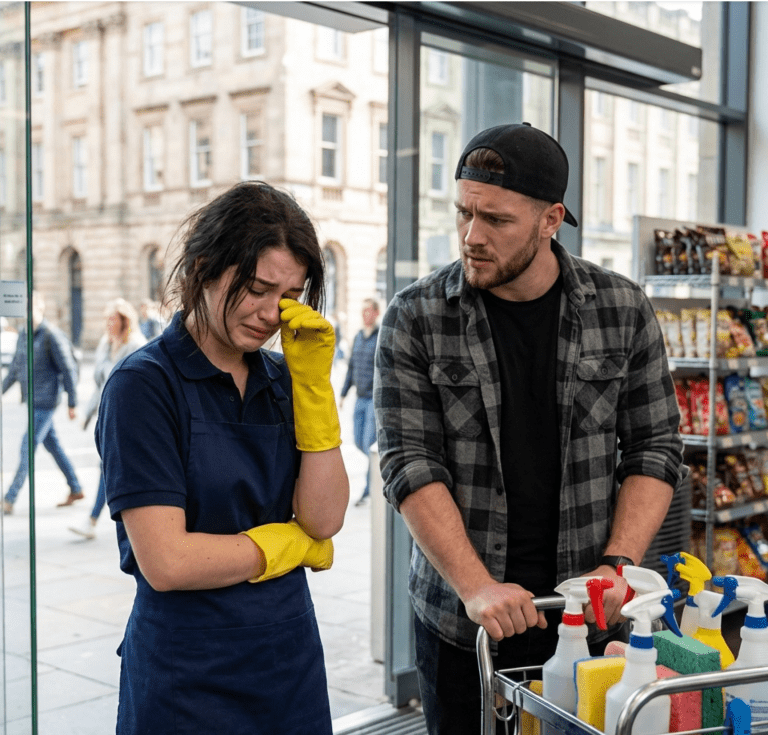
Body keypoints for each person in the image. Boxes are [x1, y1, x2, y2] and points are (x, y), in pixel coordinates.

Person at [373, 123, 685, 734]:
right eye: (463, 213)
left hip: (590, 614)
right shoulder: (416, 317)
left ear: (550, 220)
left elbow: (655, 446)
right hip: (464, 621)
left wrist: (616, 565)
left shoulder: (621, 309)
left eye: (496, 220)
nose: (471, 236)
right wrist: (477, 586)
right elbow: (409, 463)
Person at [95, 180, 349, 734]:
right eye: (257, 288)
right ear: (204, 268)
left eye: (290, 296)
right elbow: (167, 562)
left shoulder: (284, 380)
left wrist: (315, 391)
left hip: (288, 658)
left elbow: (324, 520)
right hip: (187, 668)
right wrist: (278, 545)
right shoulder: (144, 387)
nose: (270, 314)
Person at [69, 298, 146, 539]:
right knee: (112, 468)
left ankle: (93, 520)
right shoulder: (105, 344)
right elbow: (99, 385)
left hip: (130, 419)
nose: (108, 324)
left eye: (112, 319)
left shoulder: (136, 346)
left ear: (125, 321)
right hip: (107, 417)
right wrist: (88, 413)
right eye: (106, 319)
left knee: (109, 468)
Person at [2, 291, 83, 514]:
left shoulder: (50, 335)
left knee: (27, 445)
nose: (27, 315)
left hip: (46, 401)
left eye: (31, 309)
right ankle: (75, 487)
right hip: (31, 399)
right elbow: (16, 368)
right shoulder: (23, 335)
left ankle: (9, 498)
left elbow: (67, 369)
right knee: (53, 446)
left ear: (40, 309)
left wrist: (72, 402)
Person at [340, 298, 380, 506]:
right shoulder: (358, 337)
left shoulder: (380, 335)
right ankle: (379, 469)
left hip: (374, 398)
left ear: (376, 313)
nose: (365, 315)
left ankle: (368, 489)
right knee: (357, 441)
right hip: (360, 397)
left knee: (368, 443)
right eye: (362, 311)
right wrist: (344, 393)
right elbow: (351, 367)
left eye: (369, 311)